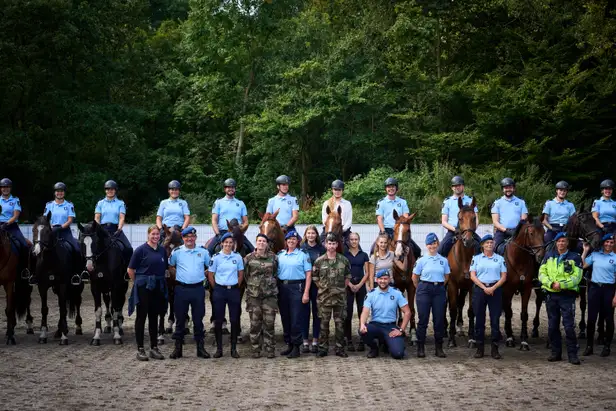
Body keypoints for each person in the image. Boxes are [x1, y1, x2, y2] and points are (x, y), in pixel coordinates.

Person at [538, 232, 582, 365]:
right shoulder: (548, 255)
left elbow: (577, 277)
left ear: (567, 243)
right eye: (559, 241)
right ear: (556, 243)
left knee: (569, 326)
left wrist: (561, 285)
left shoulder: (575, 257)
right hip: (551, 295)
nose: (561, 243)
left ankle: (572, 355)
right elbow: (541, 273)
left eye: (563, 241)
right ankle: (555, 353)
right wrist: (551, 284)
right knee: (552, 326)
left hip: (567, 296)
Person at [167, 227, 210, 360]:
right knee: (180, 319)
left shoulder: (203, 252)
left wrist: (204, 274)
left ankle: (200, 348)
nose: (189, 239)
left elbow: (210, 267)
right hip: (181, 289)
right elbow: (171, 265)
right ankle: (178, 348)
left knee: (198, 319)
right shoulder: (177, 252)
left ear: (195, 238)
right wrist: (177, 275)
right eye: (187, 237)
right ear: (183, 238)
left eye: (192, 236)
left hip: (198, 289)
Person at [127, 225, 167, 361]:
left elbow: (165, 268)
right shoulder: (140, 250)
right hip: (143, 287)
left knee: (154, 316)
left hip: (157, 287)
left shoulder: (162, 250)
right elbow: (130, 270)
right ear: (148, 235)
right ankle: (140, 348)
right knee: (141, 316)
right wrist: (139, 282)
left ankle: (154, 347)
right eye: (153, 234)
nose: (155, 236)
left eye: (157, 234)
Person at [312, 234, 351, 357]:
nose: (331, 246)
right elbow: (315, 278)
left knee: (340, 325)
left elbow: (347, 277)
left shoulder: (343, 260)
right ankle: (323, 348)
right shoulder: (319, 261)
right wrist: (323, 288)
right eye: (329, 243)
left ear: (337, 245)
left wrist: (340, 289)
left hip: (340, 298)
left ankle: (339, 348)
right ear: (325, 244)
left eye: (334, 243)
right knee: (323, 324)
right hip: (324, 298)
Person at [359, 269, 411, 359]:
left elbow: (407, 312)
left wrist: (401, 330)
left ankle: (387, 343)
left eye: (385, 279)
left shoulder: (397, 293)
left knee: (398, 354)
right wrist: (362, 324)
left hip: (390, 327)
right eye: (381, 279)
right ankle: (374, 348)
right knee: (363, 331)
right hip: (375, 325)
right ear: (376, 280)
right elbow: (365, 311)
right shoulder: (371, 294)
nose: (383, 281)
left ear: (389, 280)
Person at [412, 233, 450, 358]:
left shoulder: (443, 260)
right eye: (429, 244)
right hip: (424, 289)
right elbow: (414, 277)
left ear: (437, 244)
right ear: (426, 245)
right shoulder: (421, 260)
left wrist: (438, 285)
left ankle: (439, 348)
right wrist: (421, 289)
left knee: (439, 320)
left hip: (439, 289)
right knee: (423, 320)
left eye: (434, 243)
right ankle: (420, 347)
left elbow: (446, 277)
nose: (432, 246)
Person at [469, 234, 507, 359]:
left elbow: (503, 277)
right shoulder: (476, 258)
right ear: (482, 245)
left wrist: (493, 288)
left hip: (495, 290)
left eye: (491, 242)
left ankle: (495, 349)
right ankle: (480, 348)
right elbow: (472, 275)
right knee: (479, 320)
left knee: (495, 320)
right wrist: (484, 287)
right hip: (480, 290)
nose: (489, 245)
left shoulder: (500, 259)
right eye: (487, 243)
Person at [207, 232, 244, 358]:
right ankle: (219, 349)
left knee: (234, 319)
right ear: (222, 243)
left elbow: (241, 274)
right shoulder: (216, 257)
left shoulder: (237, 257)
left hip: (233, 290)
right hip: (219, 290)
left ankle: (233, 348)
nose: (228, 244)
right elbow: (210, 275)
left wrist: (235, 285)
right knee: (218, 320)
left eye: (230, 242)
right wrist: (217, 288)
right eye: (226, 242)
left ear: (233, 244)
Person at [243, 233, 279, 358]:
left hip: (269, 297)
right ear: (256, 242)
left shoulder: (273, 257)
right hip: (254, 297)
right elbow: (245, 276)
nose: (261, 243)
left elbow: (276, 273)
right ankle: (255, 349)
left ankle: (270, 349)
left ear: (267, 243)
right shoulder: (248, 258)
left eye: (264, 241)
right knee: (255, 324)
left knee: (269, 323)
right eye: (259, 241)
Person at [277, 231, 311, 359]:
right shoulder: (280, 255)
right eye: (289, 239)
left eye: (294, 239)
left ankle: (297, 346)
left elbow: (308, 274)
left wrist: (306, 292)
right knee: (285, 317)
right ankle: (289, 344)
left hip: (297, 287)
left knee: (296, 318)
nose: (291, 241)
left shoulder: (303, 255)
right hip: (282, 287)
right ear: (286, 241)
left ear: (297, 242)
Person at [581, 233, 616, 357]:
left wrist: (615, 296)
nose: (609, 244)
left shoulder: (615, 257)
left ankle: (607, 346)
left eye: (611, 242)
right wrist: (585, 251)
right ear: (603, 243)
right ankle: (589, 346)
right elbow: (583, 265)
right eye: (607, 242)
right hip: (595, 288)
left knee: (609, 319)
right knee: (591, 318)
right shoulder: (595, 255)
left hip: (609, 289)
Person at [42, 182, 82, 284]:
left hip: (65, 231)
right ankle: (36, 273)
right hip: (51, 231)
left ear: (64, 193)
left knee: (77, 249)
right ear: (54, 192)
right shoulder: (49, 205)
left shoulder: (69, 205)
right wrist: (51, 227)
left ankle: (76, 274)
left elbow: (70, 220)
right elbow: (45, 219)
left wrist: (60, 227)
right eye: (57, 191)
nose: (59, 193)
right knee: (38, 249)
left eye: (61, 191)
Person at [375, 177, 421, 260]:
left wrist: (403, 227)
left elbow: (406, 215)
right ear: (386, 189)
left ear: (396, 188)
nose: (391, 189)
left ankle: (415, 266)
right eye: (389, 187)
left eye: (393, 186)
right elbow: (379, 219)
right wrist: (383, 232)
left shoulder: (402, 201)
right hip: (387, 230)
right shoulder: (381, 202)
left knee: (417, 250)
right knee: (373, 250)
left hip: (400, 230)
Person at [94, 180, 133, 271]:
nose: (110, 191)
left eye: (112, 189)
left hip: (115, 229)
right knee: (90, 248)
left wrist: (119, 229)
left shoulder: (120, 203)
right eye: (108, 189)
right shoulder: (100, 203)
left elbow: (121, 218)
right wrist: (98, 230)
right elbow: (97, 218)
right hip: (102, 229)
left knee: (128, 248)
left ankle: (127, 271)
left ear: (115, 190)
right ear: (105, 190)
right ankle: (87, 271)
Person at [438, 176, 480, 257]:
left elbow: (476, 218)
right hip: (453, 232)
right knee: (440, 250)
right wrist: (455, 229)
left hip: (469, 231)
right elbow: (444, 221)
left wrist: (472, 230)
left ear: (463, 186)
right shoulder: (447, 201)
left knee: (482, 247)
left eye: (459, 185)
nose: (457, 187)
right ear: (452, 188)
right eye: (454, 186)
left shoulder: (470, 200)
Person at [208, 178, 252, 255]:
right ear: (225, 189)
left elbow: (246, 222)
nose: (230, 189)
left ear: (235, 189)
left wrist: (241, 231)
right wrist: (218, 234)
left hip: (238, 233)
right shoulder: (218, 202)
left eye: (232, 187)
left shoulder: (241, 203)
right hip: (222, 232)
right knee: (208, 251)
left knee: (253, 251)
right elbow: (214, 220)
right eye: (228, 187)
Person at [299, 225, 325, 353]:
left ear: (316, 235)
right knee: (304, 314)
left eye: (313, 233)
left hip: (317, 286)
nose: (311, 235)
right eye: (308, 233)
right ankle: (305, 341)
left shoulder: (322, 249)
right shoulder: (301, 249)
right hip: (303, 285)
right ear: (305, 235)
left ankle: (315, 340)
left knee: (317, 313)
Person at [344, 232, 369, 351]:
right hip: (348, 286)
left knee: (361, 313)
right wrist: (350, 284)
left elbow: (367, 273)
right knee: (348, 313)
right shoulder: (345, 255)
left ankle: (362, 339)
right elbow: (343, 272)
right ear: (348, 241)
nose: (354, 241)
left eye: (356, 239)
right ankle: (348, 340)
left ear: (359, 240)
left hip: (360, 286)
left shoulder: (364, 255)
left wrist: (359, 285)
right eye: (352, 239)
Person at [0, 178, 30, 277]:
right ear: (1, 188)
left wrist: (6, 223)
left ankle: (24, 269)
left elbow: (16, 216)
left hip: (11, 226)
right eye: (3, 187)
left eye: (7, 187)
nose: (5, 189)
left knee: (24, 245)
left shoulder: (15, 200)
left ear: (10, 188)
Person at [491, 177, 528, 253]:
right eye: (506, 188)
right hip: (502, 232)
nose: (508, 189)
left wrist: (517, 230)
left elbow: (524, 219)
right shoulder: (497, 203)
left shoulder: (521, 202)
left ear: (513, 188)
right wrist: (506, 230)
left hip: (518, 232)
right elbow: (495, 222)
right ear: (502, 189)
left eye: (510, 187)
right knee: (494, 248)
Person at [321, 180, 353, 244]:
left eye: (339, 190)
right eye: (335, 189)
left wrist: (342, 230)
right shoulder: (326, 203)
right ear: (332, 190)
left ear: (342, 190)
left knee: (353, 245)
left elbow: (349, 220)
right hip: (329, 230)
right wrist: (330, 230)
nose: (337, 192)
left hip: (344, 231)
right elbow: (324, 219)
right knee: (320, 244)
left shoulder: (347, 204)